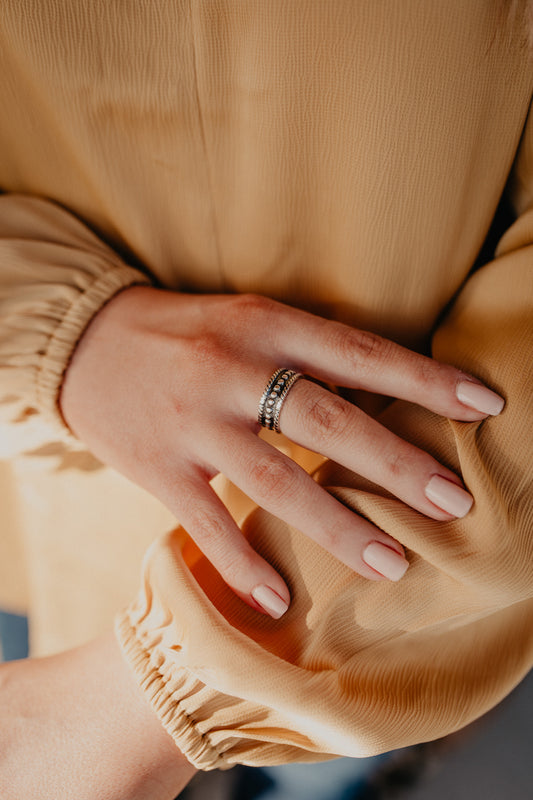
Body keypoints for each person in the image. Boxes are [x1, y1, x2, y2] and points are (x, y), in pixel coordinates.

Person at [1, 1, 532, 797]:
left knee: (325, 761)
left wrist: (167, 686)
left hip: (368, 602)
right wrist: (56, 332)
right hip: (40, 499)